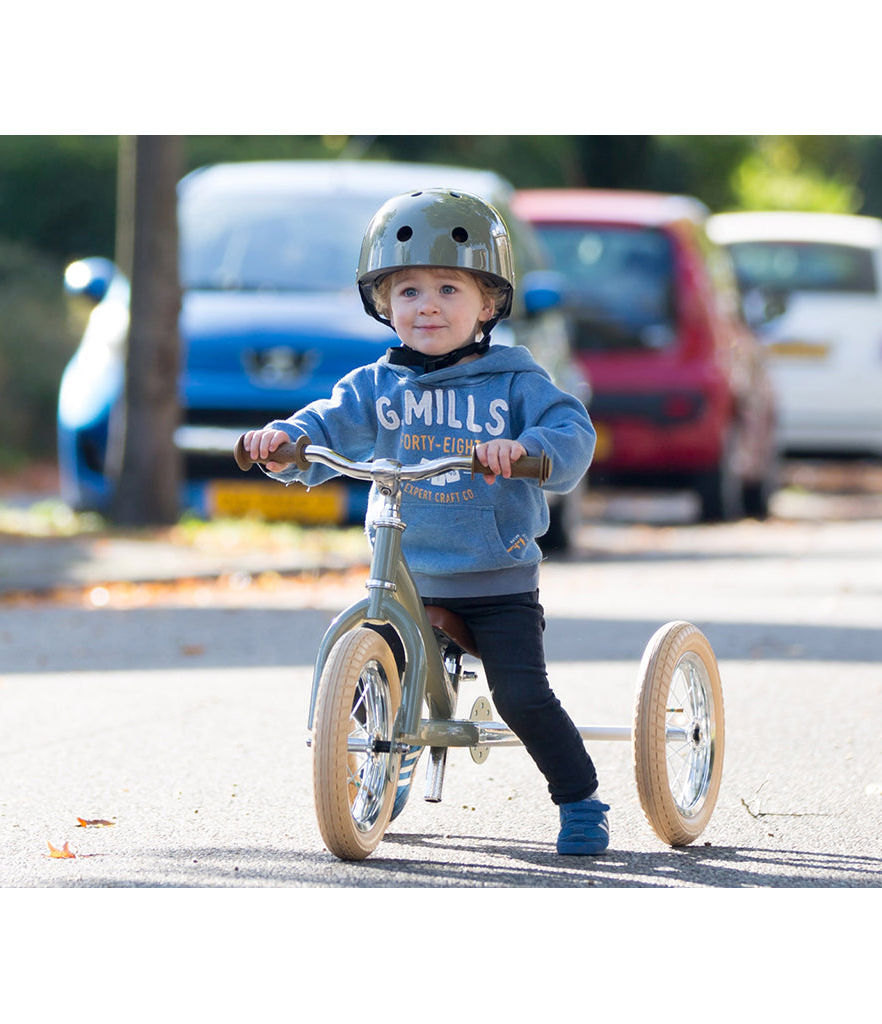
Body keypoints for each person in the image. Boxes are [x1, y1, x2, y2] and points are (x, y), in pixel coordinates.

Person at [240, 188, 609, 856]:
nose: (428, 305)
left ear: (488, 304)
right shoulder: (377, 385)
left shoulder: (514, 379)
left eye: (448, 288)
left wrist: (525, 452)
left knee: (523, 697)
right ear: (384, 304)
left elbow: (569, 428)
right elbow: (326, 423)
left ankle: (580, 797)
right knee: (363, 680)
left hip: (495, 577)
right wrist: (287, 441)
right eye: (408, 290)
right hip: (406, 570)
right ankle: (376, 772)